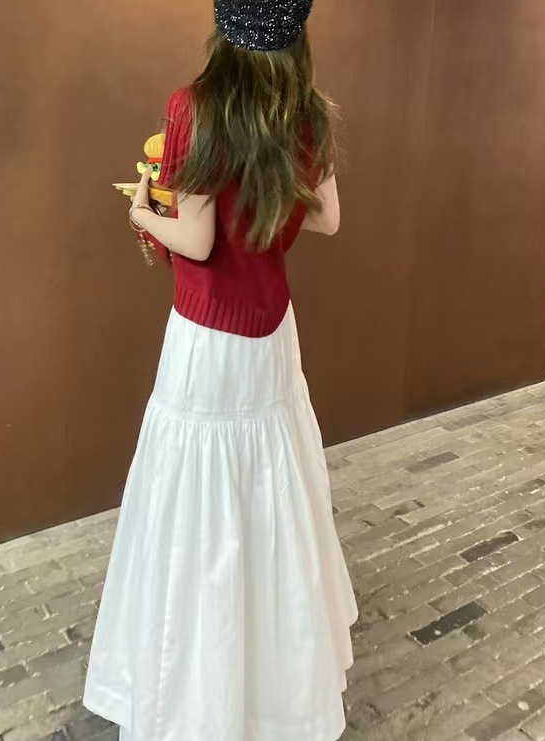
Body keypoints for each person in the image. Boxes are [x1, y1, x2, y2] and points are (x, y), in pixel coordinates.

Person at [83, 1, 357, 738]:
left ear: (222, 22)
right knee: (270, 490)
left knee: (195, 500)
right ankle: (275, 680)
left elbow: (198, 242)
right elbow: (327, 218)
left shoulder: (195, 108)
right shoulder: (306, 110)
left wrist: (143, 212)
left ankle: (198, 686)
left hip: (207, 340)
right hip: (272, 336)